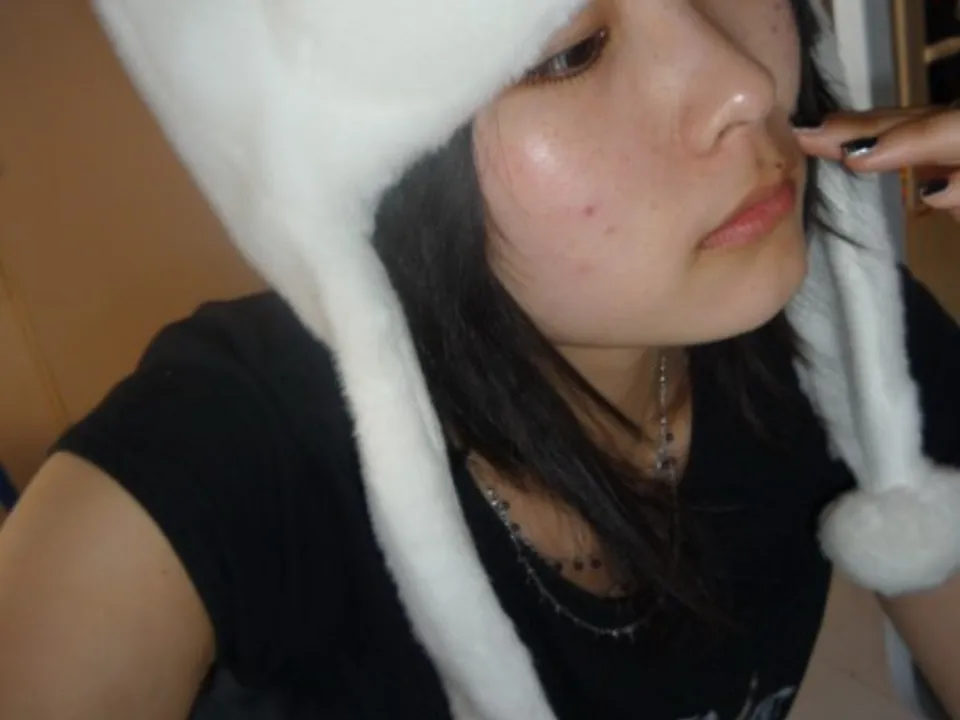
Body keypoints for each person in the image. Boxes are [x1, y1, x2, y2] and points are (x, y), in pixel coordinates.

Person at [0, 1, 958, 718]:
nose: (743, 84)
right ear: (374, 168)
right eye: (571, 51)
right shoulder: (230, 451)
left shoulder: (847, 341)